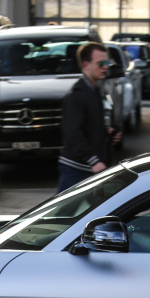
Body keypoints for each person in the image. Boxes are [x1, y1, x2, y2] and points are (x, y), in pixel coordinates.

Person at [57, 42, 122, 192]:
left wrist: (107, 131)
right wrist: (93, 161)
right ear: (86, 65)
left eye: (107, 62)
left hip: (90, 168)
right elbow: (72, 133)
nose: (105, 67)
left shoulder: (93, 90)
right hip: (77, 168)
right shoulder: (77, 95)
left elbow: (89, 126)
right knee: (62, 214)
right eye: (101, 63)